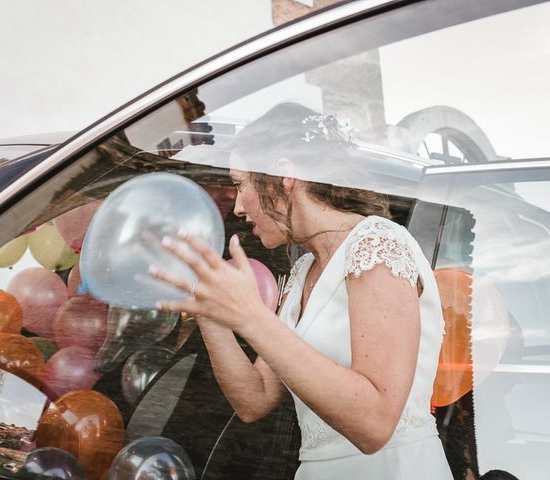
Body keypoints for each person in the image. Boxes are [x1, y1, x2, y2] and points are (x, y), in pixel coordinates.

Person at [149, 102, 453, 479]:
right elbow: (255, 399)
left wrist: (251, 316)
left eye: (240, 183)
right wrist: (211, 314)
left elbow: (375, 425)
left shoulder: (376, 245)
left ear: (284, 175)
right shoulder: (303, 271)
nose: (239, 207)